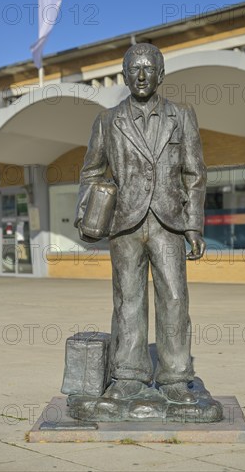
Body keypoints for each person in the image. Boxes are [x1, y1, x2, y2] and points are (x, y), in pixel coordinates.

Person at [75, 43, 206, 404]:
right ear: (125, 75)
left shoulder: (181, 116)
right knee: (128, 300)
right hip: (125, 224)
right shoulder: (107, 120)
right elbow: (90, 171)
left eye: (150, 68)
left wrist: (194, 227)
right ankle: (129, 375)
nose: (143, 75)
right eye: (135, 69)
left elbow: (194, 175)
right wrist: (89, 212)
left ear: (161, 75)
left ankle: (176, 377)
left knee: (175, 298)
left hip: (169, 224)